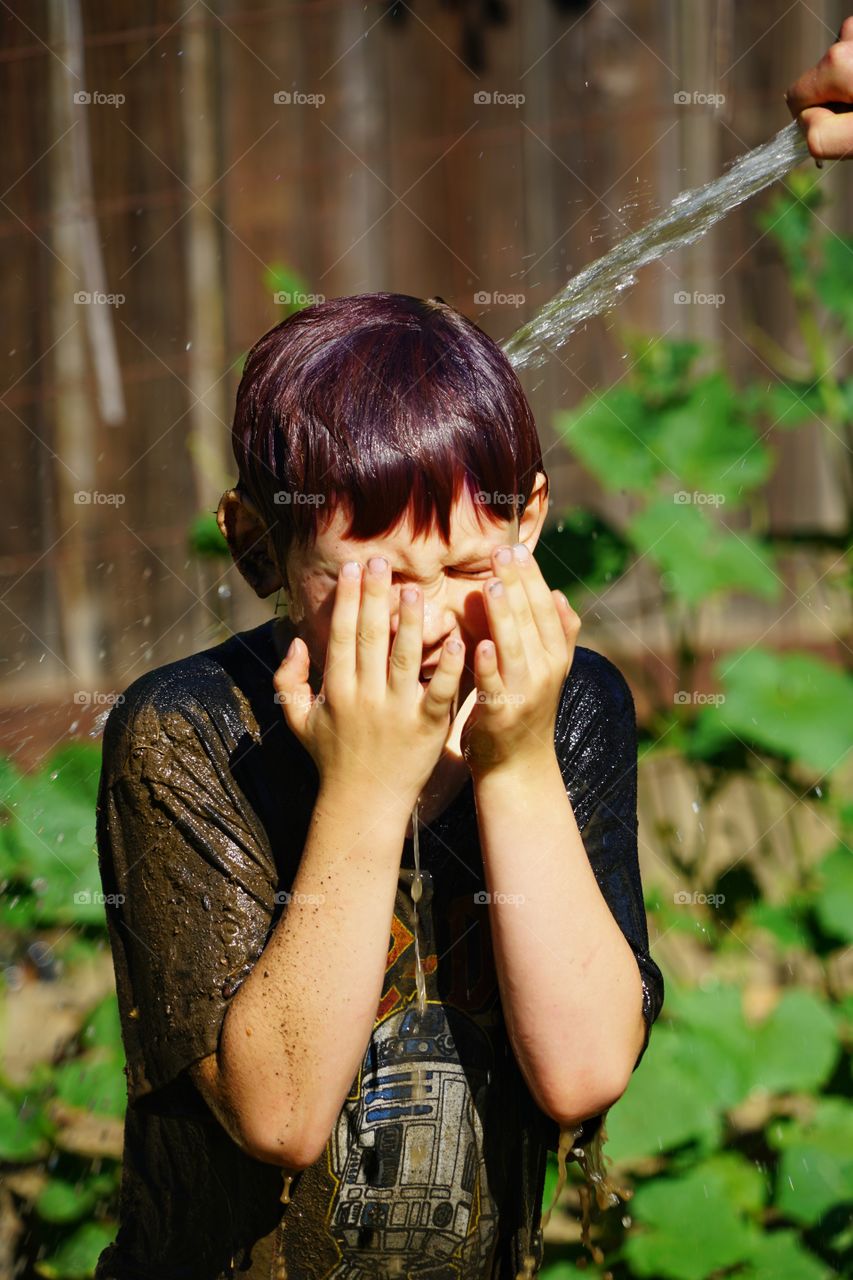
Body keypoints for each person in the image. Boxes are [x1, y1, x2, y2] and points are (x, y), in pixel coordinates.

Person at [94, 27, 853, 1280]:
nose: (431, 618)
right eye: (375, 579)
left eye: (463, 567)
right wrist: (366, 788)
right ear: (257, 545)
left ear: (530, 521)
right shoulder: (189, 732)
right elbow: (279, 1117)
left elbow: (583, 1071)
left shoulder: (562, 706)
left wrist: (511, 761)